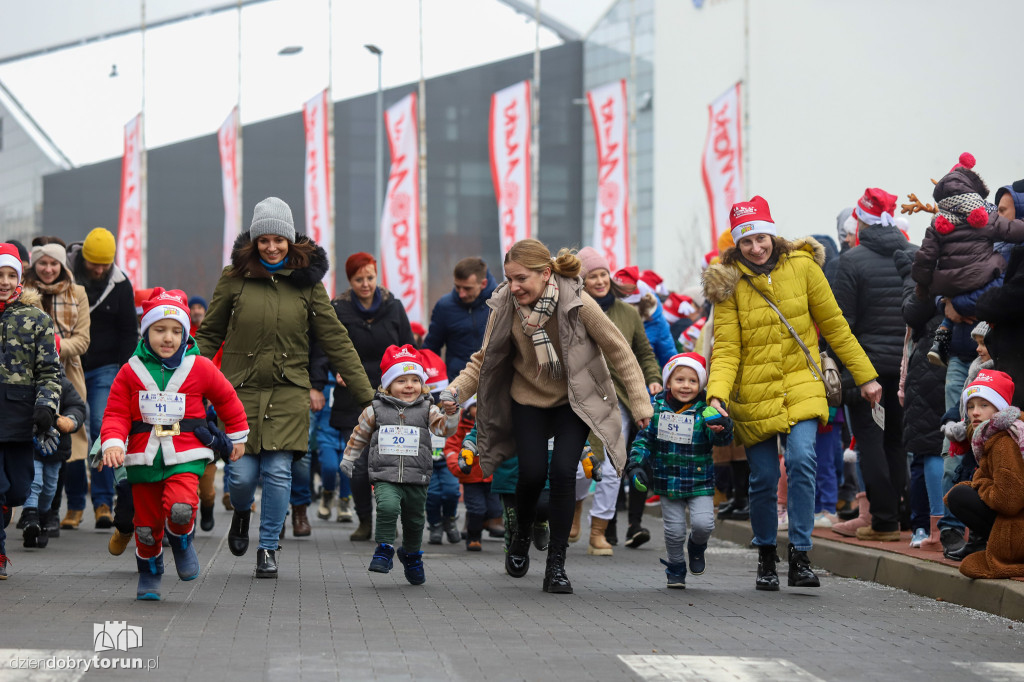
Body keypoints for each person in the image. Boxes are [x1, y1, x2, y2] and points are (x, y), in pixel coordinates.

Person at [442, 239, 653, 594]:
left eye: (521, 278)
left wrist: (641, 402)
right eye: (509, 278)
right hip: (527, 401)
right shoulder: (505, 305)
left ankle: (556, 564)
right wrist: (454, 392)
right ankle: (522, 534)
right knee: (532, 475)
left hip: (573, 402)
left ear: (545, 273)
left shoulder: (577, 302)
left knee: (562, 474)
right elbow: (483, 359)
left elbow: (618, 347)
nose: (514, 286)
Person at [703, 196, 879, 591]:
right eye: (746, 242)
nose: (756, 247)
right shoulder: (728, 283)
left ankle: (800, 554)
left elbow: (834, 326)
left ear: (772, 233)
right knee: (764, 478)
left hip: (802, 381)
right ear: (737, 245)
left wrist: (866, 377)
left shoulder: (802, 267)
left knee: (802, 459)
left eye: (761, 238)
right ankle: (766, 554)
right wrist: (716, 395)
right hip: (752, 391)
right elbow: (727, 349)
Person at [195, 197, 374, 578]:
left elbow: (335, 339)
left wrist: (368, 397)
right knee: (241, 478)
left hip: (289, 390)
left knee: (278, 472)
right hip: (239, 391)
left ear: (290, 241)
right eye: (264, 240)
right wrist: (183, 380)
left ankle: (269, 547)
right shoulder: (234, 278)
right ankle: (242, 514)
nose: (272, 247)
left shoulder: (307, 284)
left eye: (279, 239)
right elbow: (209, 333)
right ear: (254, 242)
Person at [99, 289, 248, 600]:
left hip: (186, 453)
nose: (168, 338)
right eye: (159, 330)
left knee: (180, 509)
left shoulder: (201, 367)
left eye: (176, 331)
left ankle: (181, 541)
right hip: (143, 458)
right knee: (145, 527)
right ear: (146, 331)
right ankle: (150, 572)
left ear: (185, 334)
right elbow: (115, 412)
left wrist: (236, 435)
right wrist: (112, 442)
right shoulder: (130, 371)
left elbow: (227, 399)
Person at [312, 251, 415, 542]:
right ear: (350, 280)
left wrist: (410, 382)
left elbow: (408, 347)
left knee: (390, 465)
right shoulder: (339, 309)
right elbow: (325, 347)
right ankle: (364, 521)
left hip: (391, 396)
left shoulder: (394, 307)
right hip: (351, 396)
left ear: (376, 276)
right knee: (357, 466)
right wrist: (332, 372)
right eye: (359, 279)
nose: (366, 284)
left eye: (370, 277)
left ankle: (387, 518)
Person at [340, 345, 460, 584]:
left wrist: (452, 413)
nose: (409, 386)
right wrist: (349, 459)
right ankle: (384, 548)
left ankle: (412, 555)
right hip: (385, 474)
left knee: (415, 520)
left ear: (423, 384)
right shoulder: (374, 410)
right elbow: (359, 435)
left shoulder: (428, 409)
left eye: (415, 380)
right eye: (401, 380)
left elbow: (445, 429)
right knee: (387, 507)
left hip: (418, 476)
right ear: (387, 385)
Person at [832, 188, 913, 542]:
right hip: (906, 367)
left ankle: (882, 521)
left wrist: (843, 371)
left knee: (870, 442)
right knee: (896, 442)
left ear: (860, 222)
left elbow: (841, 324)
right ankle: (898, 515)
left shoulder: (850, 261)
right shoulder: (913, 253)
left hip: (866, 369)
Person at [574, 246, 662, 553]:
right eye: (592, 277)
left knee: (614, 465)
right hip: (582, 399)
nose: (599, 281)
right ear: (582, 283)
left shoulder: (628, 313)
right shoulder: (572, 311)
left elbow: (644, 353)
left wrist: (652, 378)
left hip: (619, 400)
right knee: (583, 465)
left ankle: (598, 531)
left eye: (603, 274)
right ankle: (575, 507)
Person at [624, 353, 733, 588]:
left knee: (704, 525)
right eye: (680, 379)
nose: (686, 386)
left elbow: (722, 442)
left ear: (701, 384)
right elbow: (644, 440)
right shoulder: (656, 407)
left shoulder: (706, 409)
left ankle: (696, 547)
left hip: (699, 479)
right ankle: (675, 566)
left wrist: (721, 429)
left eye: (693, 381)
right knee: (674, 531)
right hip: (668, 479)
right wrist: (635, 465)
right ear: (668, 382)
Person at [912, 154, 1024, 366]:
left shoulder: (938, 223)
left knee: (950, 291)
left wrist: (924, 287)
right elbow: (1011, 229)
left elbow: (924, 259)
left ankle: (941, 340)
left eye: (1003, 209)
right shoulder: (986, 221)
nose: (998, 212)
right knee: (997, 263)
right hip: (979, 279)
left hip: (949, 286)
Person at [65, 227, 137, 530]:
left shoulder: (120, 285)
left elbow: (128, 331)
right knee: (72, 431)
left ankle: (104, 502)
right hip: (71, 366)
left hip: (107, 368)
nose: (99, 269)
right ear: (83, 260)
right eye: (94, 264)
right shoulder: (66, 279)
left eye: (104, 265)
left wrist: (125, 372)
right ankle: (75, 504)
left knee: (103, 431)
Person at [0, 243, 61, 577]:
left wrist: (46, 408)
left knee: (20, 489)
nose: (5, 281)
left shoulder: (37, 319)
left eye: (11, 275)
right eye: (0, 275)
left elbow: (50, 372)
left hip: (20, 417)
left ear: (20, 277)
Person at [21, 238, 91, 528]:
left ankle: (51, 510)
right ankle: (31, 507)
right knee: (30, 436)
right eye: (43, 263)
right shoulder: (22, 293)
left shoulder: (78, 293)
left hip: (66, 374)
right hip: (26, 375)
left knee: (63, 442)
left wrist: (54, 346)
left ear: (62, 266)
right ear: (35, 265)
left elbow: (83, 340)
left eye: (54, 263)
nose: (48, 269)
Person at [895, 248, 950, 550]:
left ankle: (932, 527)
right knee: (943, 449)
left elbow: (911, 316)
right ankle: (945, 527)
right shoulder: (971, 267)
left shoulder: (919, 281)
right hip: (954, 360)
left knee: (927, 451)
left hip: (927, 364)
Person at [945, 370, 1024, 579]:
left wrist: (981, 483)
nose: (975, 413)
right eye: (970, 406)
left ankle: (1010, 552)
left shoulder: (1003, 441)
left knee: (959, 496)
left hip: (1018, 527)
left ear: (999, 408)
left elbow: (1009, 500)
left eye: (984, 405)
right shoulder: (994, 435)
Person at [22, 335, 87, 549]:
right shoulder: (23, 379)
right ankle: (30, 517)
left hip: (57, 446)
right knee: (35, 481)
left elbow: (77, 406)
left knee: (50, 487)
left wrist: (71, 420)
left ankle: (43, 518)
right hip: (31, 443)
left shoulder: (62, 382)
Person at [423, 256, 498, 380]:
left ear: (483, 283)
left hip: (495, 381)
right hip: (457, 382)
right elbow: (431, 348)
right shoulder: (445, 307)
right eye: (458, 287)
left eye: (467, 288)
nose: (461, 293)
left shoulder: (500, 303)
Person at [420, 348, 462, 545]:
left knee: (452, 491)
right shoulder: (419, 412)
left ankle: (450, 520)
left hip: (447, 460)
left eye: (438, 394)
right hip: (426, 461)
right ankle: (435, 523)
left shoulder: (449, 410)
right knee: (432, 494)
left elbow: (457, 430)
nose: (435, 400)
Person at [612, 266, 677, 367]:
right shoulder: (608, 313)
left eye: (629, 304)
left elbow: (670, 361)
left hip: (644, 380)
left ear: (639, 303)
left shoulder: (657, 322)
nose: (623, 308)